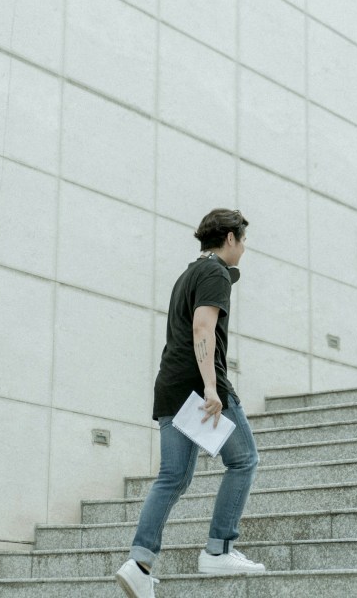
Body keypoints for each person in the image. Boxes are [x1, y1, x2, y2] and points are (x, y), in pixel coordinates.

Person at [115, 209, 264, 598]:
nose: (244, 249)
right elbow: (203, 327)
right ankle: (219, 548)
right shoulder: (214, 273)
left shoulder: (188, 274)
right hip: (199, 387)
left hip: (170, 386)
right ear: (229, 238)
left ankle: (140, 563)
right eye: (243, 240)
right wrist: (212, 388)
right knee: (244, 459)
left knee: (173, 478)